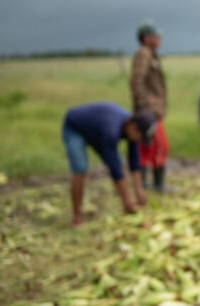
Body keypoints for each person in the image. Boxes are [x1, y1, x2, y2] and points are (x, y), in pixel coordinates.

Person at [62, 102, 155, 226]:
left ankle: (126, 202)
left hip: (97, 131)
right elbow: (113, 166)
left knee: (120, 163)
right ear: (133, 127)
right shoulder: (111, 129)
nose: (139, 140)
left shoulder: (130, 126)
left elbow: (134, 160)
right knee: (80, 168)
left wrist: (139, 191)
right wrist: (127, 198)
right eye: (140, 136)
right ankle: (77, 216)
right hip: (75, 126)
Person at [130, 20, 171, 191]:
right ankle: (157, 184)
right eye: (156, 36)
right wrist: (142, 108)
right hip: (149, 110)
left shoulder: (150, 54)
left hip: (153, 108)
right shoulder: (144, 54)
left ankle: (148, 183)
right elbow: (137, 80)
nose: (159, 39)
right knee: (161, 146)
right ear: (146, 38)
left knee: (150, 146)